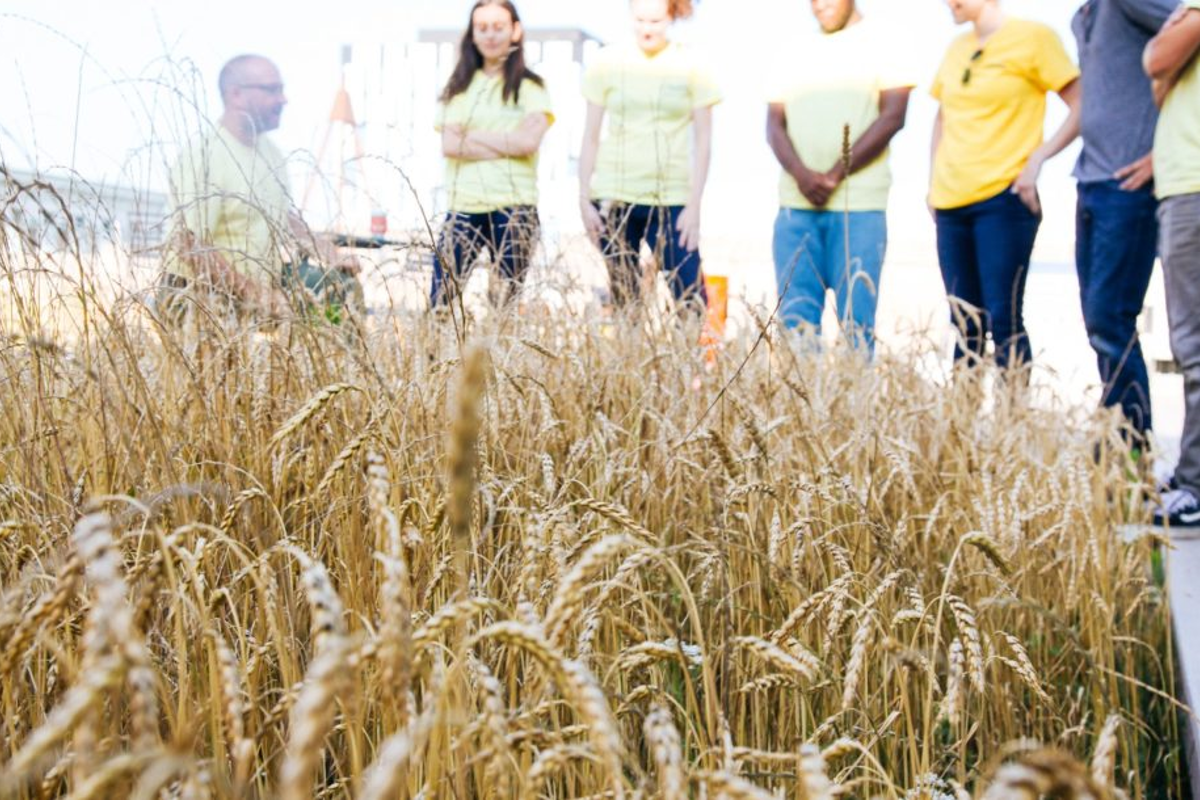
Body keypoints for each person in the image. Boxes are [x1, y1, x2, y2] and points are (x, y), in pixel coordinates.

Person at [930, 0, 1081, 371]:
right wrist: (932, 183)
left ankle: (1009, 424)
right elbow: (942, 116)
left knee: (1004, 318)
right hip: (950, 203)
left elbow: (1081, 103)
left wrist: (1037, 160)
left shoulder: (1034, 37)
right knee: (964, 322)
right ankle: (960, 424)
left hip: (1003, 199)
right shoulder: (956, 48)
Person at [162, 54, 360, 322]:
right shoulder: (204, 155)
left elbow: (283, 217)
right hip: (199, 293)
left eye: (281, 89)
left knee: (339, 286)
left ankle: (339, 362)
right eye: (271, 90)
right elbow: (188, 243)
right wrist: (255, 294)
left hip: (256, 289)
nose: (283, 99)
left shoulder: (271, 153)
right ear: (236, 95)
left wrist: (331, 254)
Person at [766, 0, 914, 350]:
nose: (820, 6)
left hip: (859, 206)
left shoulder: (888, 42)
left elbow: (893, 116)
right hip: (795, 206)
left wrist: (834, 175)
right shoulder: (792, 50)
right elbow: (773, 125)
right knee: (795, 326)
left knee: (856, 326)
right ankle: (799, 406)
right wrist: (803, 176)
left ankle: (852, 404)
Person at [1073, 0, 1176, 446]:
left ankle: (1133, 455)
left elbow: (1189, 32)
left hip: (1128, 186)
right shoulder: (1083, 15)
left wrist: (1162, 152)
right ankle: (1116, 438)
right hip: (1090, 180)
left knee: (1110, 319)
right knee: (1098, 322)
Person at [579, 0, 721, 311]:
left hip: (671, 198)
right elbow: (590, 136)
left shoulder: (692, 65)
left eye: (655, 21)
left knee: (691, 295)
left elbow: (703, 140)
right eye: (640, 19)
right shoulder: (607, 62)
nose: (647, 28)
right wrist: (584, 197)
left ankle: (685, 359)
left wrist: (694, 205)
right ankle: (631, 357)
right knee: (625, 298)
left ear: (672, 17)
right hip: (614, 196)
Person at [430, 0, 554, 309]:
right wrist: (507, 141)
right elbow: (450, 145)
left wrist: (471, 137)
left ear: (515, 31)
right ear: (472, 34)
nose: (490, 35)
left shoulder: (531, 87)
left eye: (498, 27)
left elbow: (528, 142)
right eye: (482, 28)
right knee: (440, 304)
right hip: (463, 208)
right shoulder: (457, 89)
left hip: (515, 208)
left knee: (504, 307)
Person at [1146, 1, 1200, 528]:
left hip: (1194, 187)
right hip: (1183, 185)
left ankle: (1196, 485)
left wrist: (1171, 30)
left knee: (1194, 345)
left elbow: (1157, 64)